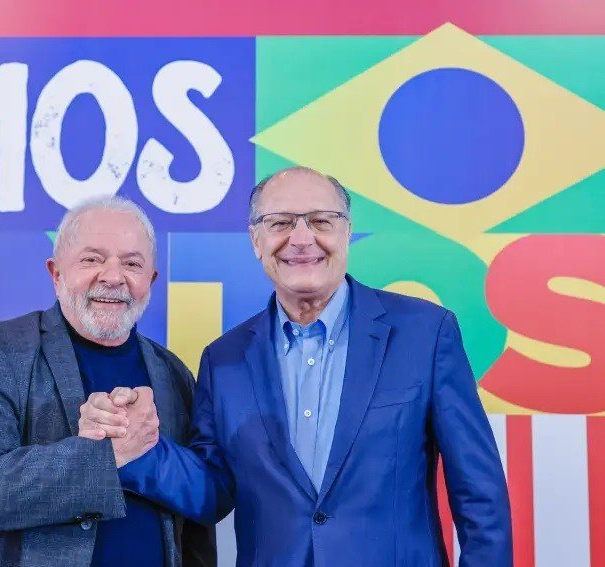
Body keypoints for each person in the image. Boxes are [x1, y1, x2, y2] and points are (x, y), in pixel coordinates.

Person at [80, 167, 512, 566]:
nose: (302, 239)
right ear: (256, 241)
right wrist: (140, 449)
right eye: (281, 223)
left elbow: (479, 494)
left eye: (321, 221)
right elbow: (212, 491)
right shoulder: (224, 359)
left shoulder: (425, 333)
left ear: (347, 232)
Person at [0, 196, 216, 567]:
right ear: (56, 274)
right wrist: (108, 455)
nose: (113, 277)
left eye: (132, 263)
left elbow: (200, 510)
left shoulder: (173, 372)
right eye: (92, 259)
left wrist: (146, 449)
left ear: (150, 280)